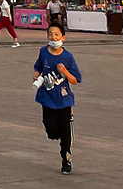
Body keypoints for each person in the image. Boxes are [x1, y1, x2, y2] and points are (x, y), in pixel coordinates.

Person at [33, 24, 82, 175]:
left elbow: (75, 80)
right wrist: (36, 76)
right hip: (47, 98)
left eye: (57, 35)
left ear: (63, 37)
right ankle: (57, 133)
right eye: (50, 34)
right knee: (52, 131)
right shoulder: (43, 52)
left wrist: (65, 71)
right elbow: (38, 68)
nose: (53, 38)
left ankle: (66, 161)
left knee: (66, 136)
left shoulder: (67, 57)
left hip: (64, 100)